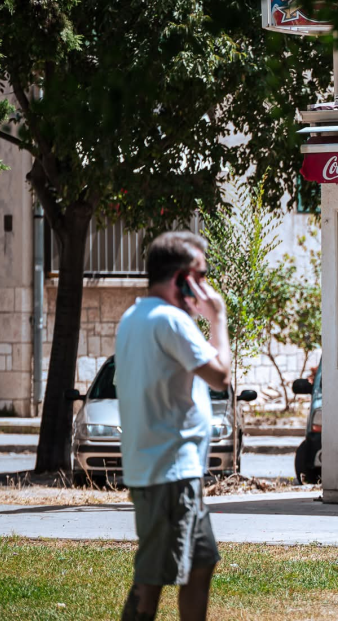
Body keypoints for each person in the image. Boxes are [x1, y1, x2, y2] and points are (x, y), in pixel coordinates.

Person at [115, 231, 231, 621]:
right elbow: (221, 376)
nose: (206, 286)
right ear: (182, 278)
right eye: (201, 276)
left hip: (172, 471)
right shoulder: (169, 321)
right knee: (150, 582)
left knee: (201, 563)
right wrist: (218, 318)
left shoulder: (135, 315)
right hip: (169, 474)